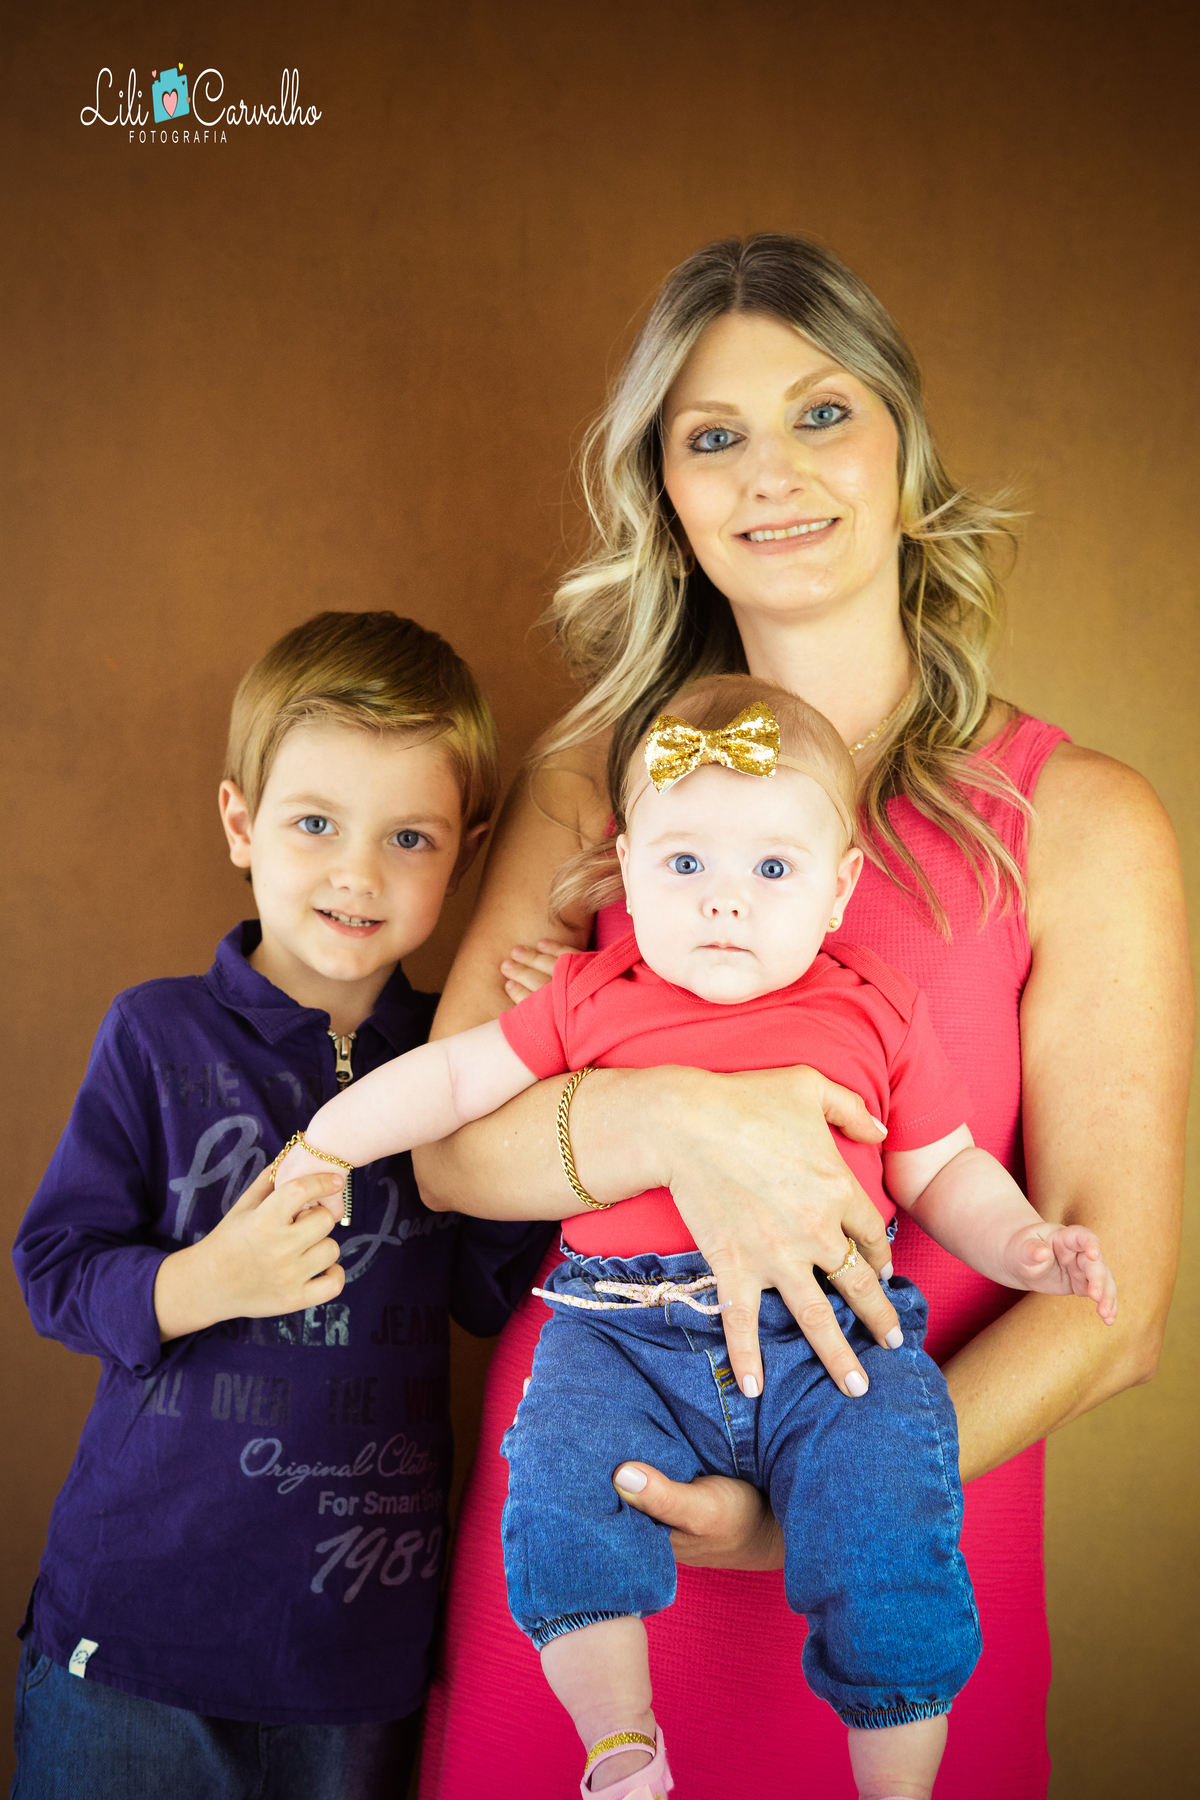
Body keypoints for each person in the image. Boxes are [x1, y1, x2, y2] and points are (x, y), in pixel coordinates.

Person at [410, 235, 1190, 1800]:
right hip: (590, 1541)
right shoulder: (596, 790)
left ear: (906, 451)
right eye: (713, 436)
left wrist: (816, 1504)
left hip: (891, 1541)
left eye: (823, 413)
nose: (773, 472)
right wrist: (683, 1121)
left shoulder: (1081, 822)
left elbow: (1119, 1302)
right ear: (669, 498)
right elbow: (446, 1155)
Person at [275, 676, 1118, 1800]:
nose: (726, 902)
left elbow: (942, 1166)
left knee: (889, 1528)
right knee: (562, 1489)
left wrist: (1024, 1247)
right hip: (619, 1334)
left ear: (836, 891)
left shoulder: (874, 1010)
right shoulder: (588, 993)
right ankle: (620, 1740)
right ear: (628, 874)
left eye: (771, 870)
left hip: (834, 1342)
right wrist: (327, 1143)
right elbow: (455, 1081)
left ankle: (900, 1780)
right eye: (686, 866)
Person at [11, 611, 549, 1800]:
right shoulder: (157, 1034)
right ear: (242, 824)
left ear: (464, 853)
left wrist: (543, 1067)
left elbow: (491, 1295)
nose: (358, 873)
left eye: (408, 836)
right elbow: (53, 1265)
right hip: (138, 1644)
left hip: (357, 1660)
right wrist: (207, 1281)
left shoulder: (452, 1059)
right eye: (315, 824)